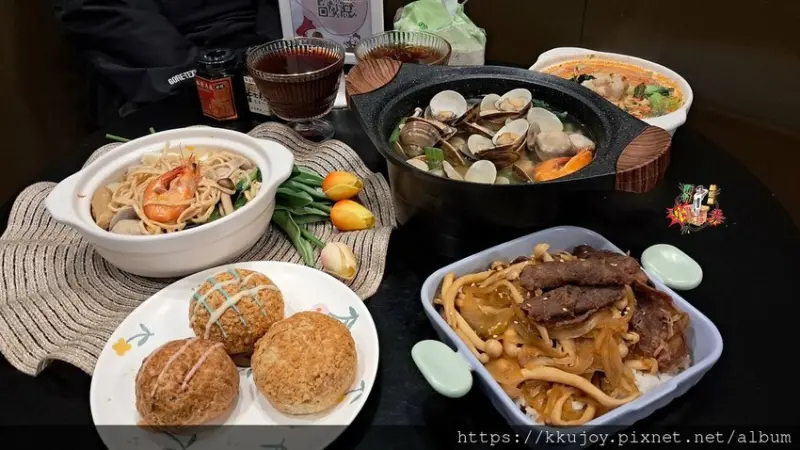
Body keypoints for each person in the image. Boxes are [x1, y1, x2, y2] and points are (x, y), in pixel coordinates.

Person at [53, 0, 282, 127]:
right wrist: (200, 68)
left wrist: (270, 49)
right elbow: (99, 11)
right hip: (165, 71)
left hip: (268, 45)